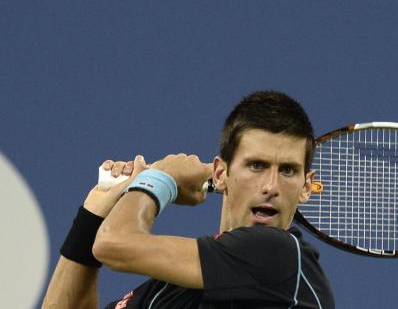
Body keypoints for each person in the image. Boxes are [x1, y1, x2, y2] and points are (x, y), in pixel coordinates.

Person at [42, 91, 335, 309]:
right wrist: (95, 211)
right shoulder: (168, 290)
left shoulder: (281, 256)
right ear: (220, 174)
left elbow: (112, 245)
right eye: (256, 166)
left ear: (306, 187)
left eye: (287, 170)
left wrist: (160, 178)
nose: (271, 186)